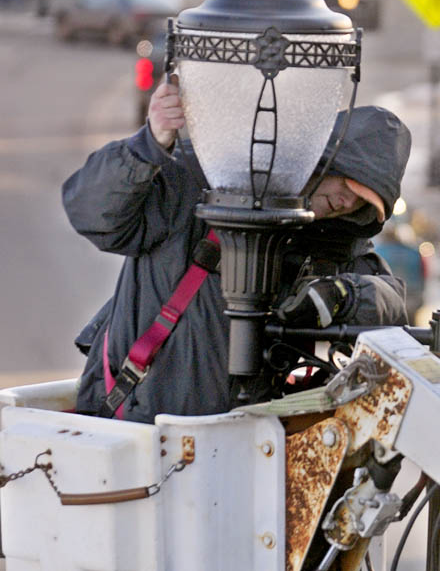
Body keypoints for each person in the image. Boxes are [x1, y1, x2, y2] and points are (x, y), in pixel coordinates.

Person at [62, 78, 412, 424]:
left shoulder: (334, 238)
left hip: (240, 443)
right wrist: (148, 145)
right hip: (136, 427)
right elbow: (93, 215)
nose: (346, 202)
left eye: (363, 204)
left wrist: (344, 295)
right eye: (349, 185)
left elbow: (393, 302)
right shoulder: (204, 183)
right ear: (324, 162)